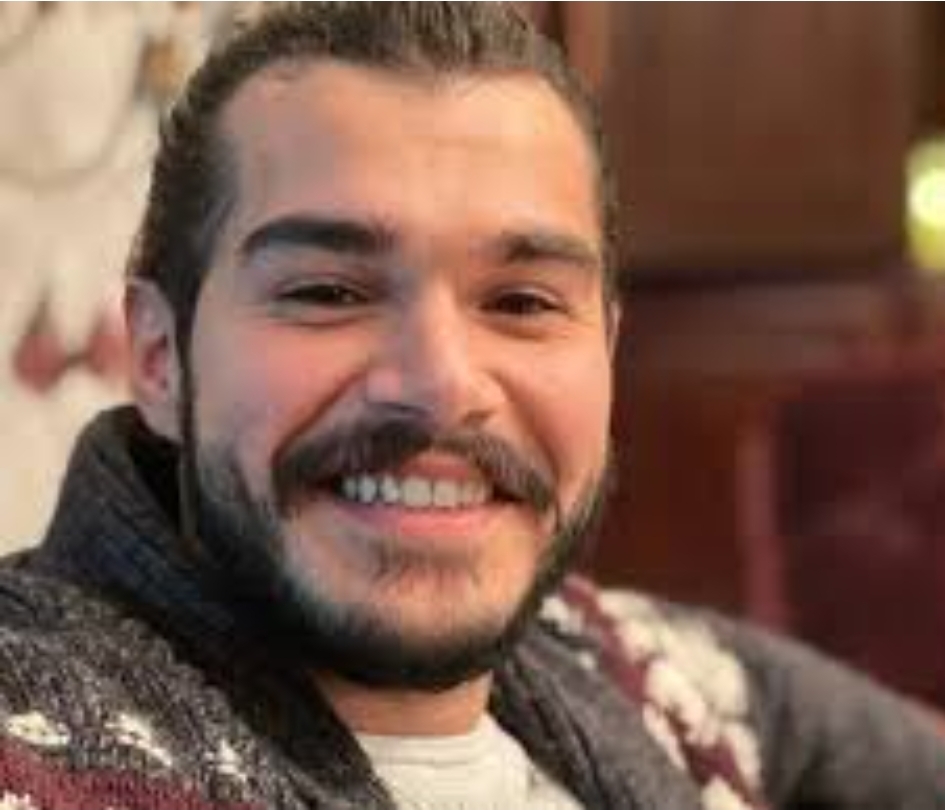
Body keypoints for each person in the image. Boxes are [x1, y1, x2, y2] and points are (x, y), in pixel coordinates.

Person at [0, 4, 942, 809]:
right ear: (159, 357)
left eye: (522, 303)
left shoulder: (622, 666)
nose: (441, 382)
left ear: (605, 348)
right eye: (328, 293)